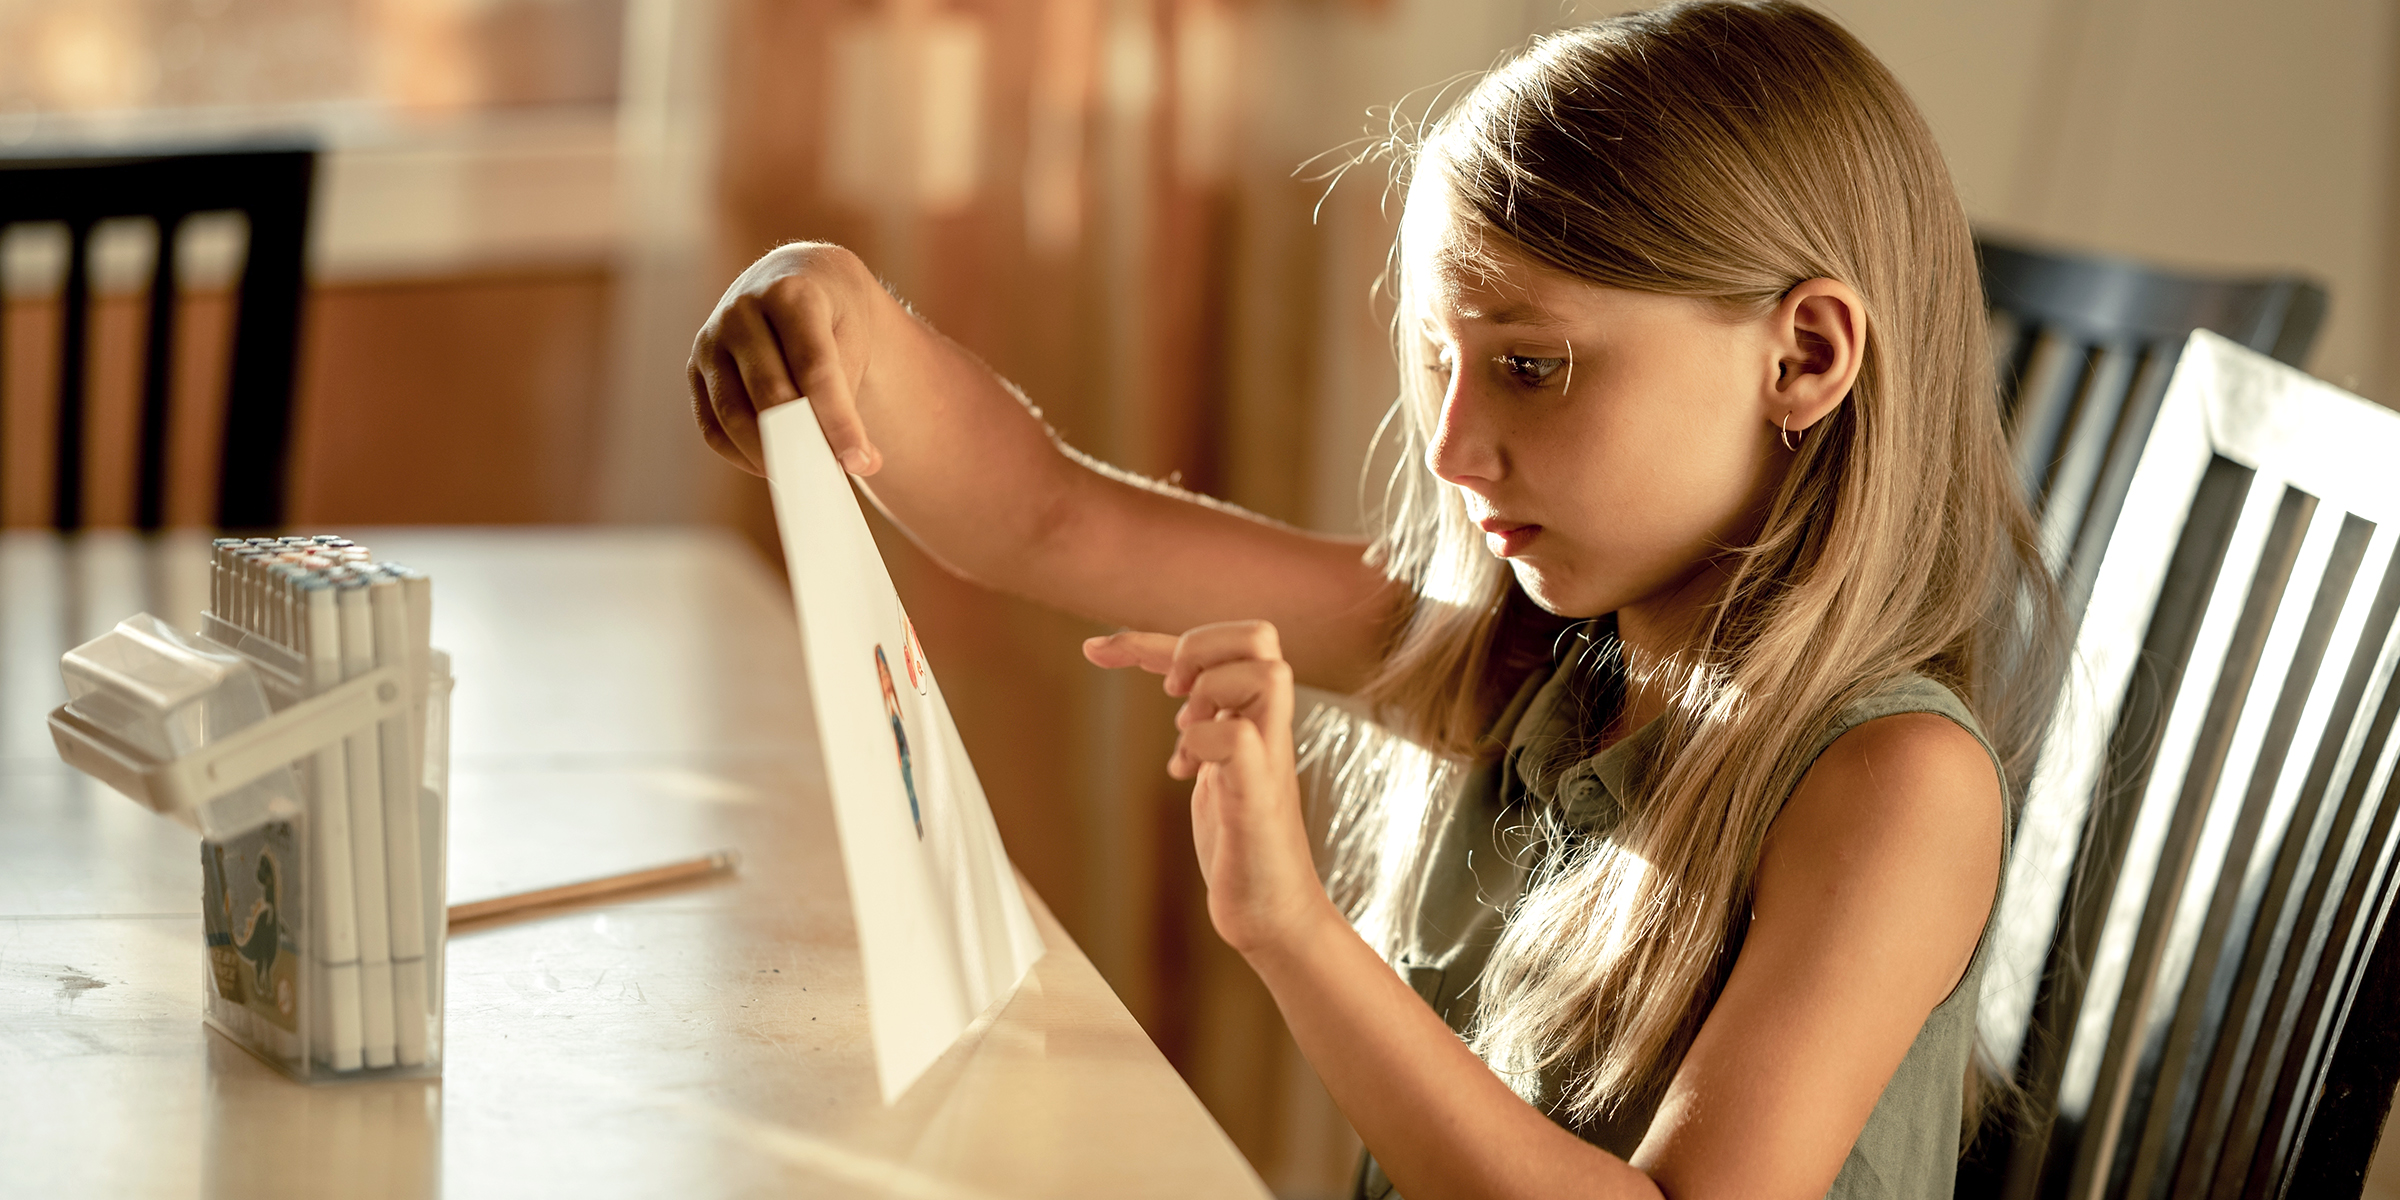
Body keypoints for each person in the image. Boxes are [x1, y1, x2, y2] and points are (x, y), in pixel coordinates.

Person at [686, 2, 2060, 1195]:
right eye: (1440, 368)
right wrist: (829, 303)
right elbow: (1049, 518)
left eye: (1529, 366)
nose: (1454, 450)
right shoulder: (1544, 664)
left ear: (1805, 358)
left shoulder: (1893, 784)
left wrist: (1291, 929)